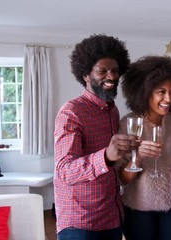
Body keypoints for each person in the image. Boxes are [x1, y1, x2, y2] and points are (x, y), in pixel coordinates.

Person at [54, 34, 132, 240]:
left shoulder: (111, 109)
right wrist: (106, 156)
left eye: (115, 70)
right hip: (80, 222)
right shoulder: (71, 112)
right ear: (86, 75)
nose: (111, 76)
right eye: (102, 71)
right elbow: (65, 171)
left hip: (111, 215)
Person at [116, 55, 171, 240]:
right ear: (145, 91)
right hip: (138, 207)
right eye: (161, 92)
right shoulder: (128, 124)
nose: (169, 98)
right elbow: (122, 179)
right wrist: (137, 156)